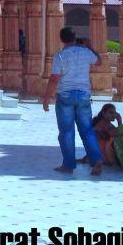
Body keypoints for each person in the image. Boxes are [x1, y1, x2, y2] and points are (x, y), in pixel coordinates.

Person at [41, 27, 103, 175]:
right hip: (83, 95)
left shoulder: (61, 55)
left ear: (61, 39)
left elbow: (54, 78)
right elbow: (99, 62)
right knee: (87, 130)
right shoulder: (86, 52)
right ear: (75, 38)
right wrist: (90, 46)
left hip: (65, 95)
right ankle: (96, 161)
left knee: (67, 131)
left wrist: (46, 99)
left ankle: (68, 165)